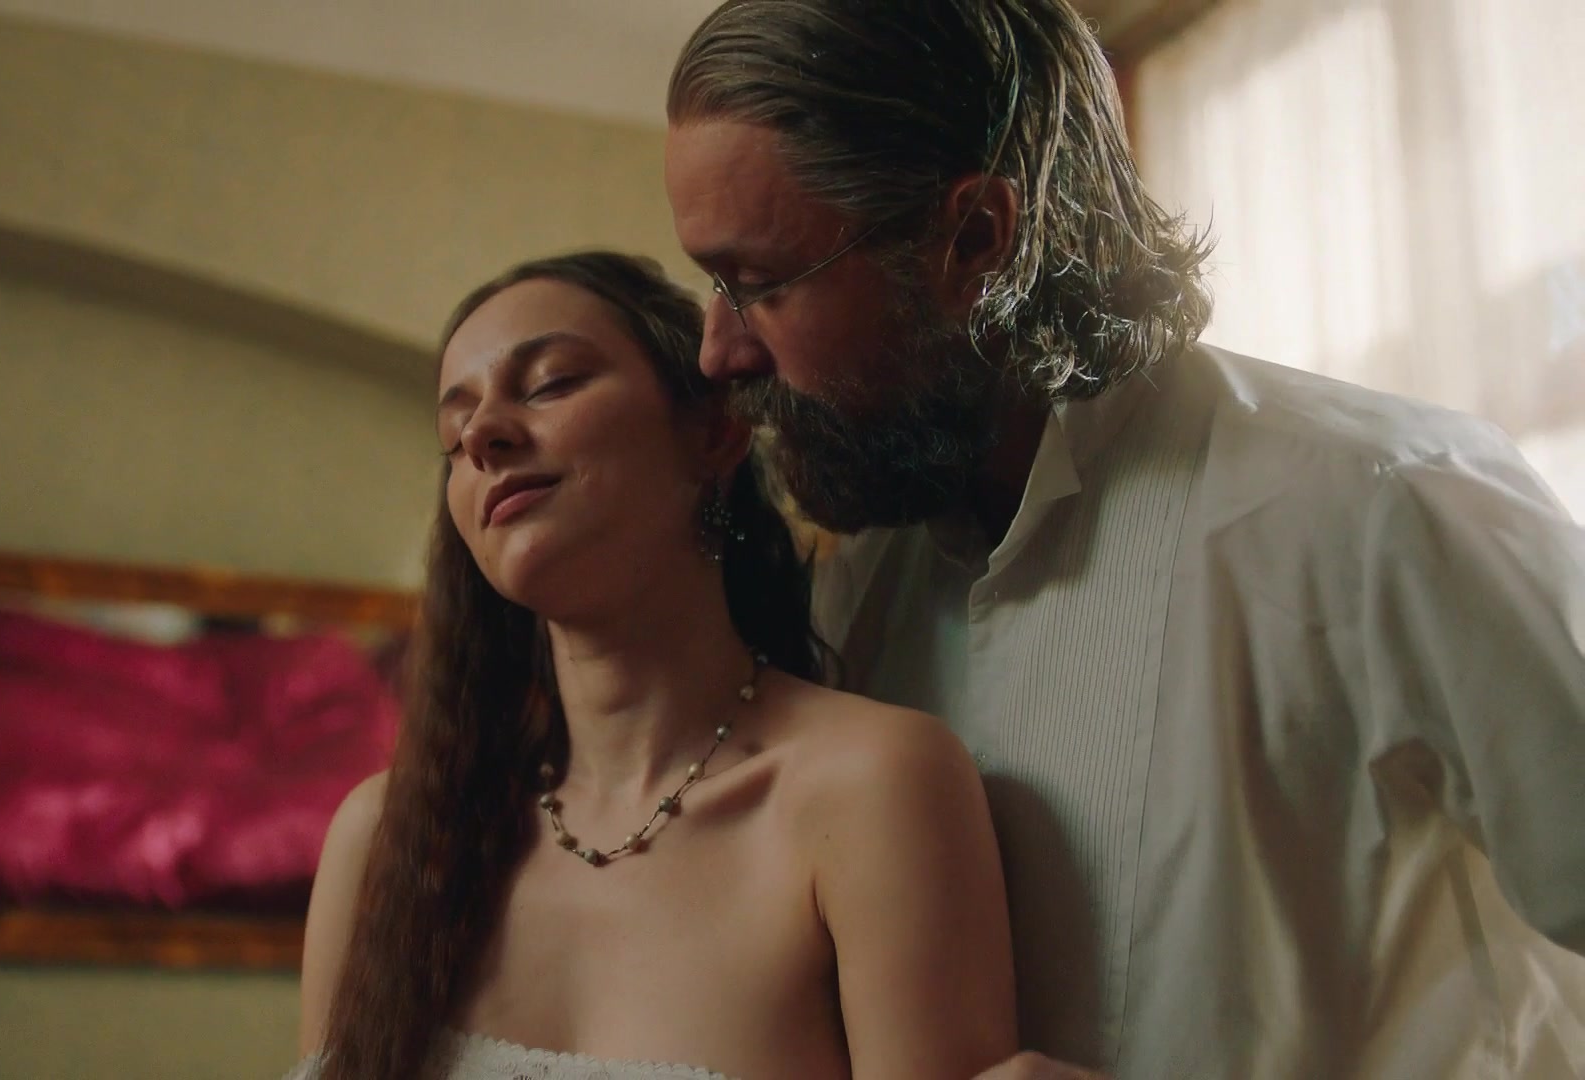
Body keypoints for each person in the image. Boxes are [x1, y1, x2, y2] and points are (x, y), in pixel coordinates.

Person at [660, 2, 1585, 1078]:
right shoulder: (861, 593)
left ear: (976, 237)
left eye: (761, 285)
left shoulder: (1388, 507)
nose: (719, 352)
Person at [288, 252, 1017, 1080]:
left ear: (714, 430)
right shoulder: (388, 840)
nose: (484, 435)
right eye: (454, 437)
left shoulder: (870, 788)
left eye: (551, 383)